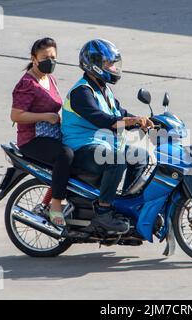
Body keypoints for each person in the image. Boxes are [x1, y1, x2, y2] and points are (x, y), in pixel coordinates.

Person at [61, 39, 153, 233]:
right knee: (116, 160)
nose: (113, 68)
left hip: (105, 144)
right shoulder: (81, 92)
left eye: (113, 64)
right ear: (93, 64)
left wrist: (149, 120)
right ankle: (103, 211)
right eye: (109, 64)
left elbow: (121, 114)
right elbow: (102, 119)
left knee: (142, 157)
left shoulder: (103, 89)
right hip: (82, 147)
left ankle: (125, 205)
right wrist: (131, 121)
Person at [10, 37, 73, 227]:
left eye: (53, 57)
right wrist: (46, 116)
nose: (50, 61)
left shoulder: (50, 79)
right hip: (32, 140)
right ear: (34, 58)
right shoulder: (28, 83)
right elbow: (16, 115)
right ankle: (55, 205)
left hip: (51, 134)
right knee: (65, 155)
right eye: (45, 57)